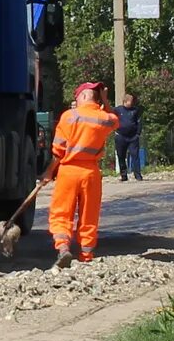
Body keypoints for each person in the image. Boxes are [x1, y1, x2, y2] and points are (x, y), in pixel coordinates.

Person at [46, 81, 120, 267]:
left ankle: (63, 248)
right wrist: (105, 100)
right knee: (89, 215)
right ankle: (86, 256)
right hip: (91, 173)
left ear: (85, 96)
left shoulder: (69, 116)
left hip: (68, 171)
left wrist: (48, 172)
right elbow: (116, 120)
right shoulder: (103, 118)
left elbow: (58, 151)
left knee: (62, 213)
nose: (75, 100)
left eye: (77, 96)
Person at [114, 89, 146, 181]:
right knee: (121, 156)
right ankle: (124, 175)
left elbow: (139, 122)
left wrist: (138, 134)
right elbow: (110, 118)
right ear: (125, 101)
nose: (132, 103)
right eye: (130, 102)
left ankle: (138, 175)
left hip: (133, 137)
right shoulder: (117, 110)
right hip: (121, 136)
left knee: (135, 155)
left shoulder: (135, 110)